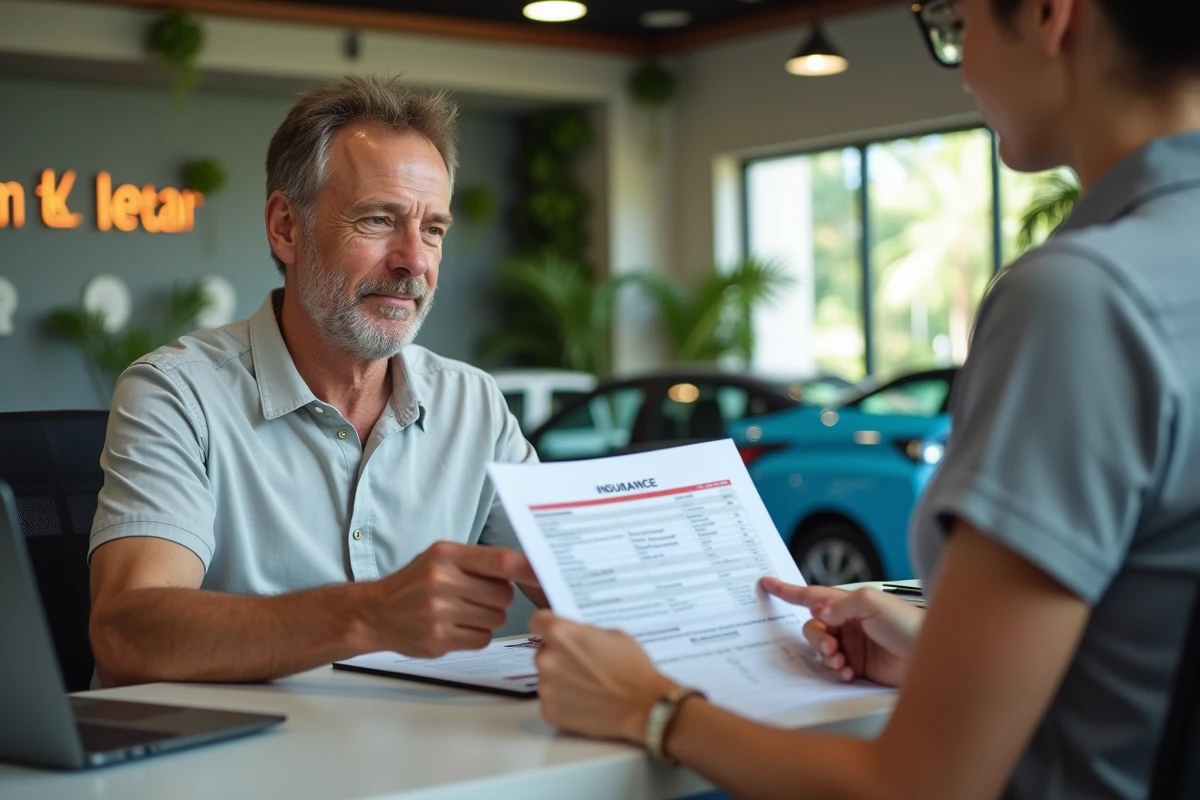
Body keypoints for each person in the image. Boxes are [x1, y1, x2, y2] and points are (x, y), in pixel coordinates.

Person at [530, 0, 1200, 797]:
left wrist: (652, 708)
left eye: (956, 24)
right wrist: (940, 650)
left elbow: (920, 785)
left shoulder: (1083, 297)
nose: (959, 62)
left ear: (1053, 14)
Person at [88, 76, 544, 688]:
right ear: (285, 226)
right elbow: (128, 630)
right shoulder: (176, 394)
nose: (415, 261)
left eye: (433, 229)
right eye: (379, 220)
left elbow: (578, 577)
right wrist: (369, 614)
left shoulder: (474, 403)